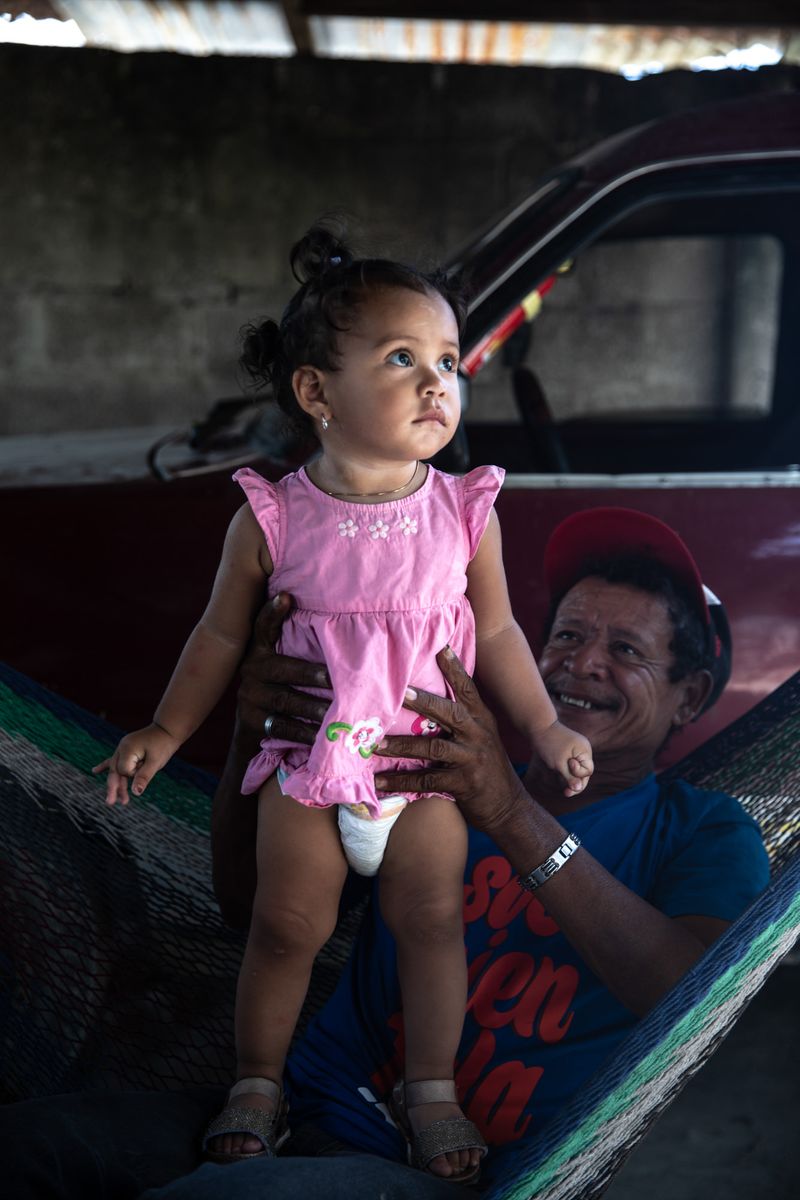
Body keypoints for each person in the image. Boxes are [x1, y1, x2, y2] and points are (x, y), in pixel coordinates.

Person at [1, 506, 769, 1200]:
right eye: (567, 635)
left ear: (691, 696)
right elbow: (244, 903)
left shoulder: (704, 830)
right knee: (27, 1147)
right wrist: (256, 735)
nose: (581, 664)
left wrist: (506, 809)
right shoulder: (424, 766)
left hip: (451, 1171)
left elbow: (685, 997)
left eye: (626, 649)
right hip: (295, 1110)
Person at [92, 224, 592, 1183]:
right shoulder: (272, 516)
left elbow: (496, 637)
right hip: (310, 769)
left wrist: (544, 724)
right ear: (315, 393)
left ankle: (432, 1091)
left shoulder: (464, 511)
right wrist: (165, 729)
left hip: (425, 771)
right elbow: (220, 639)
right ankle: (256, 1081)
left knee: (433, 922)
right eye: (402, 358)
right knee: (286, 927)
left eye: (449, 359)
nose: (438, 380)